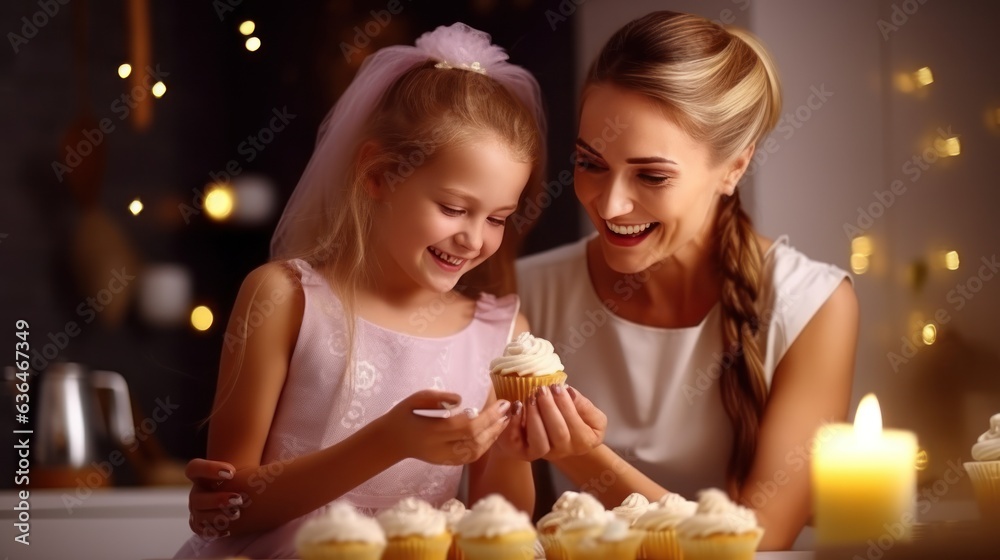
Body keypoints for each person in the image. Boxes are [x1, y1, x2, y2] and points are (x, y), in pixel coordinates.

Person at [186, 11, 858, 551]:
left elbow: (757, 540)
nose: (609, 204)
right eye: (590, 164)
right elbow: (234, 503)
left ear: (734, 168)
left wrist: (585, 457)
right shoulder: (516, 301)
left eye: (651, 175)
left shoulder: (811, 305)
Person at [173, 22, 562, 558]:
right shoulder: (284, 298)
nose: (474, 239)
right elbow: (227, 509)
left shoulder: (501, 334)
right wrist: (388, 441)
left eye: (498, 218)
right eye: (452, 208)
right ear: (378, 174)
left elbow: (501, 528)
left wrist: (516, 452)